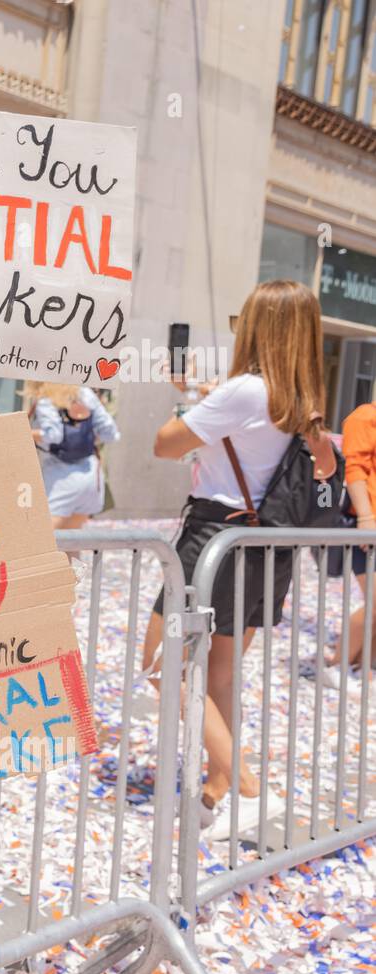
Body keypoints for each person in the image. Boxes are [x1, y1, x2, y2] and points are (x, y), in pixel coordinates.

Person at [142, 280, 327, 842]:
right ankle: (217, 791)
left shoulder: (245, 390)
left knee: (162, 663)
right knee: (218, 672)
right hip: (262, 548)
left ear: (256, 326)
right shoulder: (302, 398)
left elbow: (164, 443)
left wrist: (200, 400)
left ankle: (246, 786)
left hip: (215, 539)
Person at [317, 400, 376, 687]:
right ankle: (338, 665)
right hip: (368, 525)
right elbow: (355, 470)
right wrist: (366, 516)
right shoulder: (365, 417)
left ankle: (362, 664)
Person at [25, 381, 120, 531]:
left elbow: (53, 435)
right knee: (73, 542)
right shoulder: (85, 393)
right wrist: (85, 438)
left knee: (47, 540)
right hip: (90, 476)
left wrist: (24, 433)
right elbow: (111, 434)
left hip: (60, 479)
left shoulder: (46, 399)